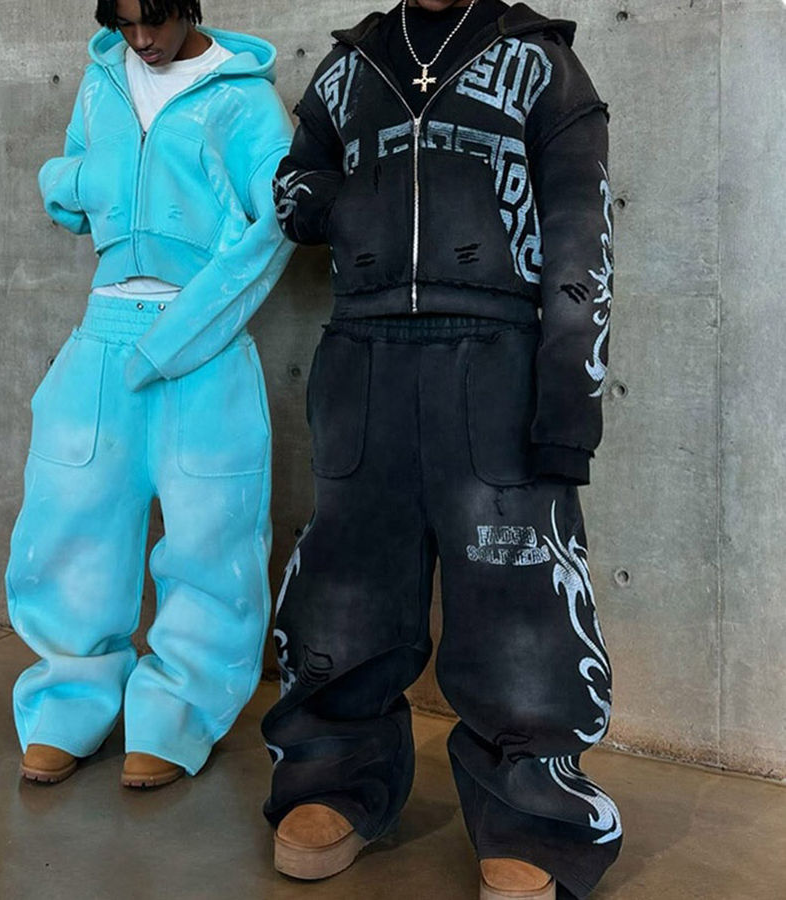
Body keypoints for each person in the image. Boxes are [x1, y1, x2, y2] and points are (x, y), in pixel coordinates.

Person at [262, 1, 620, 897]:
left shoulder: (540, 65)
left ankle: (535, 815)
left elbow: (582, 237)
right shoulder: (350, 68)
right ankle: (332, 777)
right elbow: (293, 185)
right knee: (345, 587)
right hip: (362, 358)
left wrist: (567, 402)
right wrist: (345, 204)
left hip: (497, 364)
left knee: (518, 602)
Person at [6, 0, 293, 789]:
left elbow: (275, 225)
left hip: (203, 342)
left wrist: (178, 338)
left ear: (188, 5)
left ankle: (176, 713)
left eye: (155, 21)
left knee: (211, 539)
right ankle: (67, 702)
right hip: (102, 332)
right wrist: (69, 179)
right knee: (69, 521)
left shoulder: (244, 98)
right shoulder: (101, 80)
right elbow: (76, 187)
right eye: (125, 22)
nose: (142, 40)